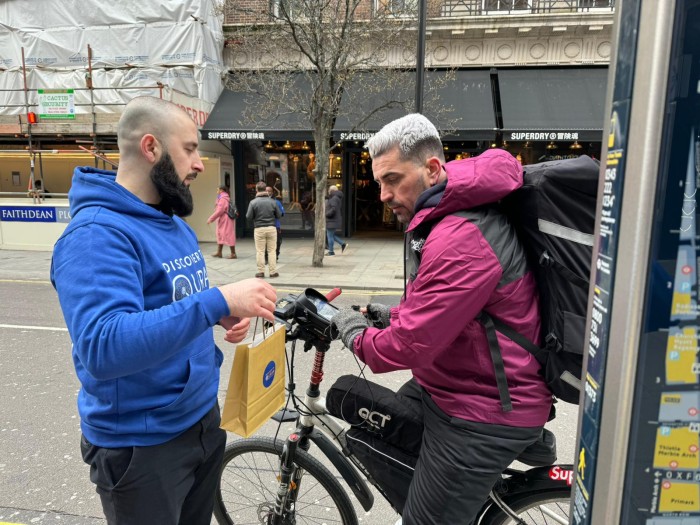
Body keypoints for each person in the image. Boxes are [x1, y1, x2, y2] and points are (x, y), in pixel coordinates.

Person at [50, 96, 278, 525]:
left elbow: (176, 301)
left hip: (201, 422)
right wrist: (216, 301)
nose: (199, 164)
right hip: (143, 447)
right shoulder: (96, 235)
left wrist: (219, 312)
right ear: (151, 147)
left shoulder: (172, 222)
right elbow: (103, 346)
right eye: (189, 149)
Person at [331, 114, 552, 524]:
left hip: (482, 413)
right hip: (459, 385)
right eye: (379, 182)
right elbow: (453, 311)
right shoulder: (452, 212)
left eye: (393, 179)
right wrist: (391, 315)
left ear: (432, 169)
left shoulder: (460, 237)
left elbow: (406, 347)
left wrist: (354, 333)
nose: (383, 194)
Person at [246, 180, 281, 278]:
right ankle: (273, 272)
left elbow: (248, 217)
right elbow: (278, 215)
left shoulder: (253, 202)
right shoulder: (273, 202)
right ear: (265, 189)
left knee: (260, 251)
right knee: (272, 251)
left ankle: (261, 271)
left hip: (259, 228)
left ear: (257, 190)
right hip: (271, 228)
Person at [207, 185, 237, 259]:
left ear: (221, 190)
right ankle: (219, 252)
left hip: (225, 219)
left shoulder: (223, 198)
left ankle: (233, 254)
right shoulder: (223, 197)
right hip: (224, 219)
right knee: (220, 234)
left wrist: (211, 219)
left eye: (218, 190)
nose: (217, 191)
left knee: (229, 235)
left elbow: (219, 211)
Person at [325, 185, 348, 256]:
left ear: (331, 190)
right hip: (334, 220)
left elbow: (333, 209)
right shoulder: (336, 197)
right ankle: (343, 244)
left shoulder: (334, 198)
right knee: (331, 235)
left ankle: (331, 252)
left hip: (332, 220)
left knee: (329, 236)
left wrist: (326, 214)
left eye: (329, 190)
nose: (328, 191)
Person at [265, 185, 285, 262]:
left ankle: (275, 255)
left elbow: (282, 213)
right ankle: (266, 257)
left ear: (272, 192)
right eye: (266, 191)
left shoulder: (277, 202)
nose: (267, 192)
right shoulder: (259, 201)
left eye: (269, 191)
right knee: (265, 243)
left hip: (275, 225)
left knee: (277, 242)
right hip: (264, 226)